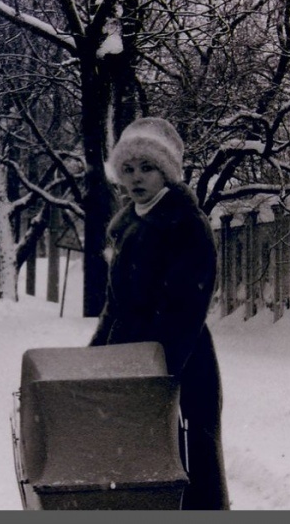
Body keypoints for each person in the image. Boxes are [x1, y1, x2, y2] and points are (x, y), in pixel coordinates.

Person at [88, 117, 230, 510]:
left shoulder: (185, 224)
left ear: (167, 172)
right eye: (128, 169)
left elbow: (187, 308)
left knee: (186, 463)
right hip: (131, 361)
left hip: (179, 363)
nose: (136, 178)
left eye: (147, 168)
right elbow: (113, 308)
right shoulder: (129, 225)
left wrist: (158, 373)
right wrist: (93, 361)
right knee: (138, 466)